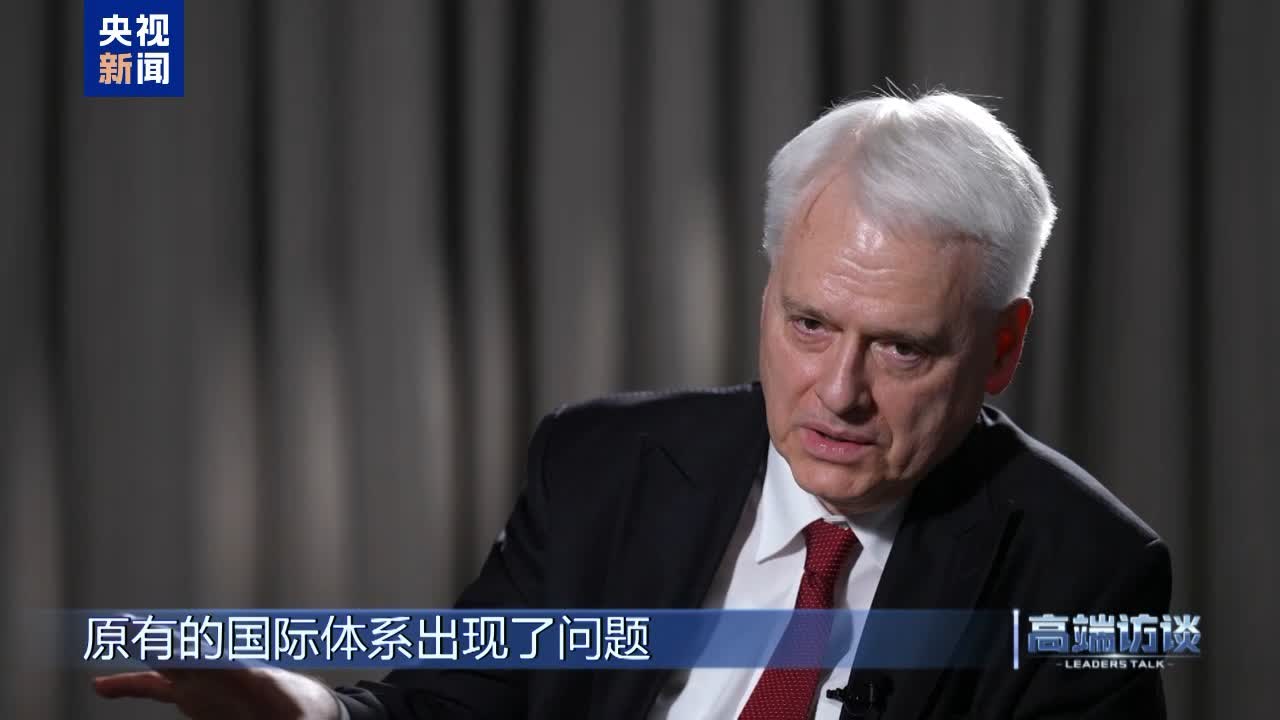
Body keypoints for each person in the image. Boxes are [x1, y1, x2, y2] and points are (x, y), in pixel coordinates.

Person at [94, 91, 1171, 719]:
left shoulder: (1089, 574)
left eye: (901, 349)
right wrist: (318, 712)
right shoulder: (602, 464)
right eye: (808, 324)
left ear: (1001, 348)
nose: (838, 393)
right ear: (767, 292)